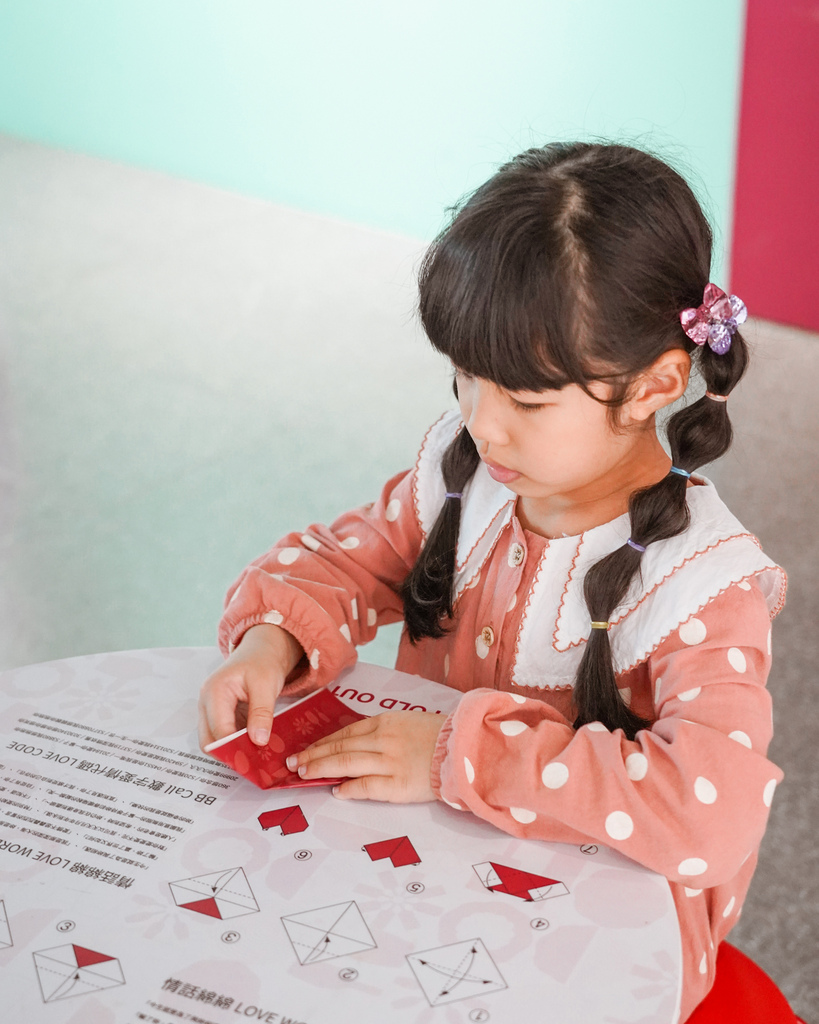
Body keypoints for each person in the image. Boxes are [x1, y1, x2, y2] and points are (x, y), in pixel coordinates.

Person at [198, 142, 787, 1021]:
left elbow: (710, 819)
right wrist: (270, 638)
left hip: (591, 942)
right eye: (463, 380)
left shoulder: (700, 585)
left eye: (527, 400)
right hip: (421, 865)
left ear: (654, 386)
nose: (484, 425)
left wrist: (459, 758)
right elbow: (346, 558)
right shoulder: (465, 471)